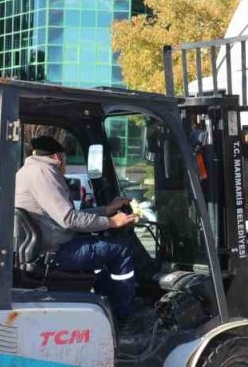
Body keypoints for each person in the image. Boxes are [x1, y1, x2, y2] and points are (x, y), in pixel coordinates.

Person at [14, 135, 148, 337]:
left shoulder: (26, 171)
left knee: (103, 257)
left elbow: (67, 216)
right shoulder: (45, 172)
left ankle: (109, 306)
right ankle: (124, 317)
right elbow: (69, 219)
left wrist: (107, 209)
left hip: (48, 246)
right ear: (58, 157)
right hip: (55, 253)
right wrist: (112, 222)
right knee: (121, 249)